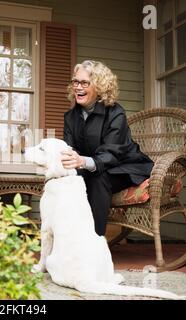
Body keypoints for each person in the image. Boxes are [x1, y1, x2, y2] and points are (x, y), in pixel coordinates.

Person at [61, 60, 154, 236]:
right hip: (92, 167)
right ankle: (70, 238)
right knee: (71, 179)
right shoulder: (70, 117)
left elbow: (111, 154)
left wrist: (82, 161)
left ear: (99, 86)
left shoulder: (115, 113)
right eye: (75, 82)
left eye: (84, 83)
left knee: (98, 178)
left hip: (125, 167)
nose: (78, 87)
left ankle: (95, 242)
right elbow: (71, 149)